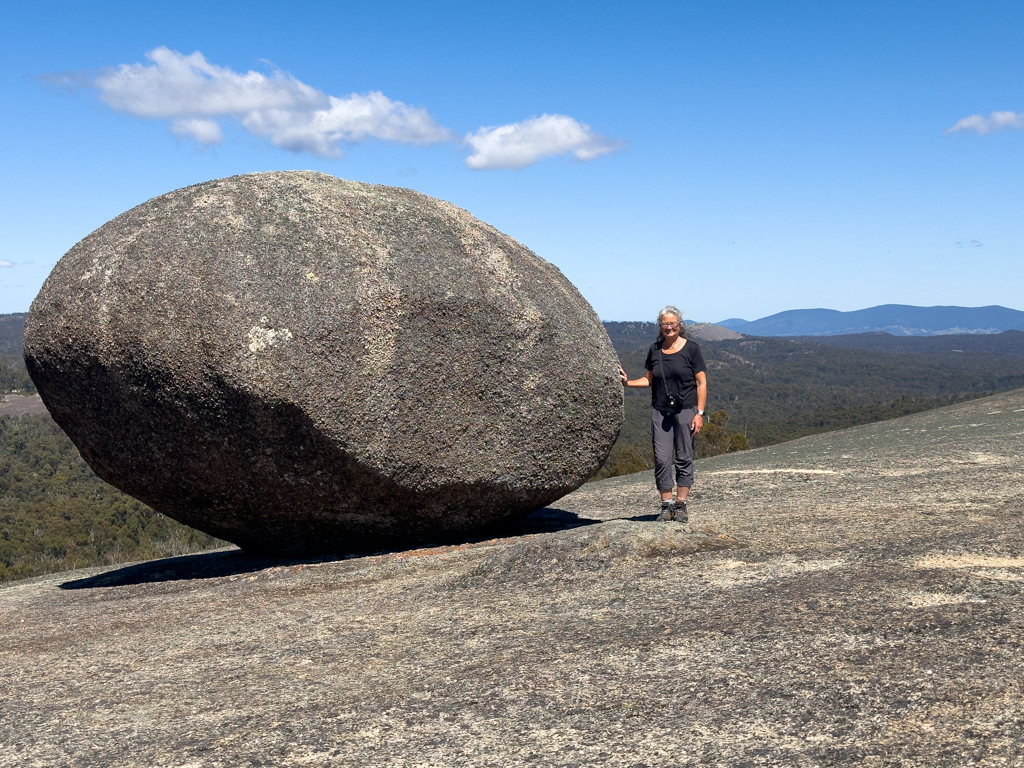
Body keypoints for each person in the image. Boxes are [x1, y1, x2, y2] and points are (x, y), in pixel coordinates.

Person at [618, 306, 708, 522]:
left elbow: (701, 382)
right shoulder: (655, 350)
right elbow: (649, 379)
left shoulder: (691, 349)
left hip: (686, 410)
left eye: (673, 323)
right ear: (660, 326)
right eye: (665, 324)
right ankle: (666, 505)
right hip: (661, 411)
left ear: (680, 325)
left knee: (684, 456)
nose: (669, 327)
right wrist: (627, 383)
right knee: (662, 458)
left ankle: (681, 505)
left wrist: (700, 413)